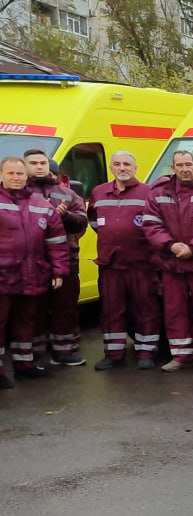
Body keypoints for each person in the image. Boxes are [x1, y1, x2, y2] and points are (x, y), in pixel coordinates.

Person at [141, 151, 193, 373]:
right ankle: (180, 356)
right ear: (173, 168)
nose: (184, 168)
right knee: (174, 311)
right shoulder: (158, 193)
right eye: (180, 165)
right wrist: (171, 245)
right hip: (171, 264)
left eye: (188, 164)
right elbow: (151, 225)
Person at [0, 156, 69, 388]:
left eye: (19, 174)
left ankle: (24, 365)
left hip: (32, 274)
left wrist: (59, 271)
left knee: (26, 322)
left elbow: (57, 240)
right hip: (3, 276)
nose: (16, 178)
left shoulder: (41, 204)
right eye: (10, 174)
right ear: (2, 175)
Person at [88, 151, 160, 370]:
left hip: (141, 263)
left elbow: (156, 223)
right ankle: (114, 353)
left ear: (135, 168)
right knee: (111, 310)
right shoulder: (99, 192)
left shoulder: (148, 192)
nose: (122, 168)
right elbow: (94, 221)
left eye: (127, 164)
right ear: (111, 168)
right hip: (110, 263)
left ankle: (146, 351)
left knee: (145, 308)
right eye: (117, 164)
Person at [24, 151, 87, 367]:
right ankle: (36, 354)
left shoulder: (67, 194)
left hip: (67, 259)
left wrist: (65, 217)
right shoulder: (19, 194)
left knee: (65, 307)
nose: (40, 167)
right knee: (34, 309)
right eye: (34, 163)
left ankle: (64, 351)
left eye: (43, 163)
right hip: (31, 262)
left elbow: (82, 223)